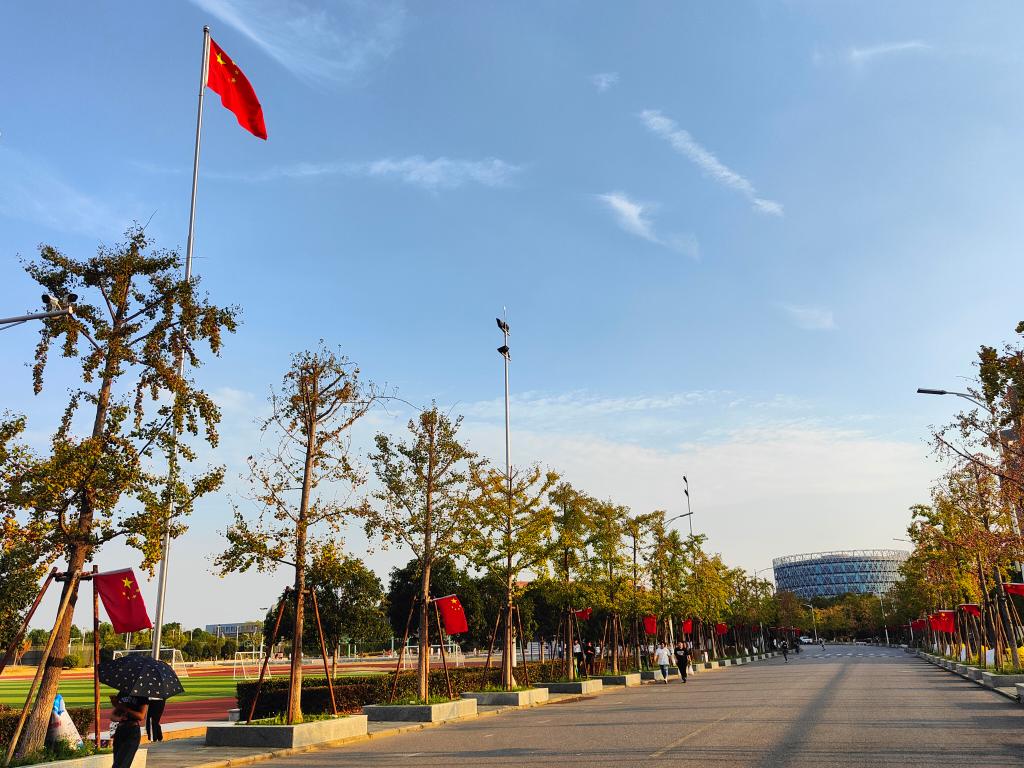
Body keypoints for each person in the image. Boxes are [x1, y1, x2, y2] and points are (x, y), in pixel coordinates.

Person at [110, 692, 148, 768]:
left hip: (132, 731)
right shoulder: (122, 693)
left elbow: (141, 716)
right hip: (120, 730)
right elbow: (112, 716)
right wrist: (120, 716)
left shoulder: (142, 696)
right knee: (117, 761)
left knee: (121, 764)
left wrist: (125, 709)